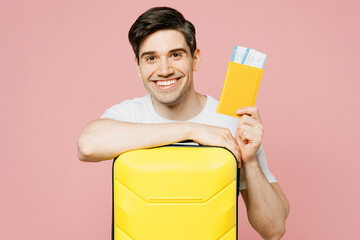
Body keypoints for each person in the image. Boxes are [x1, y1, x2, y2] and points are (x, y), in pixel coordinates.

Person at [77, 6, 289, 240]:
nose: (165, 70)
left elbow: (275, 229)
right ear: (138, 66)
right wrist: (192, 130)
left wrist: (249, 160)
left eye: (175, 55)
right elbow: (87, 145)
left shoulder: (231, 122)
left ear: (195, 59)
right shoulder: (130, 115)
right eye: (151, 58)